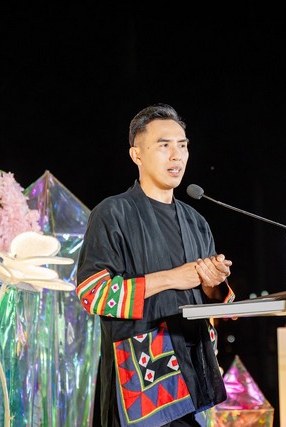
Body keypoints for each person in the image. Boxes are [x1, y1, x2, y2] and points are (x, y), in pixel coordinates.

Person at [76, 103, 235, 427]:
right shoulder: (112, 213)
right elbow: (93, 294)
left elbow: (209, 300)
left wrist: (212, 283)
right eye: (164, 146)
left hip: (196, 372)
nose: (176, 156)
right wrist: (172, 278)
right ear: (136, 155)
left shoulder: (196, 221)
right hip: (143, 380)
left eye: (183, 146)